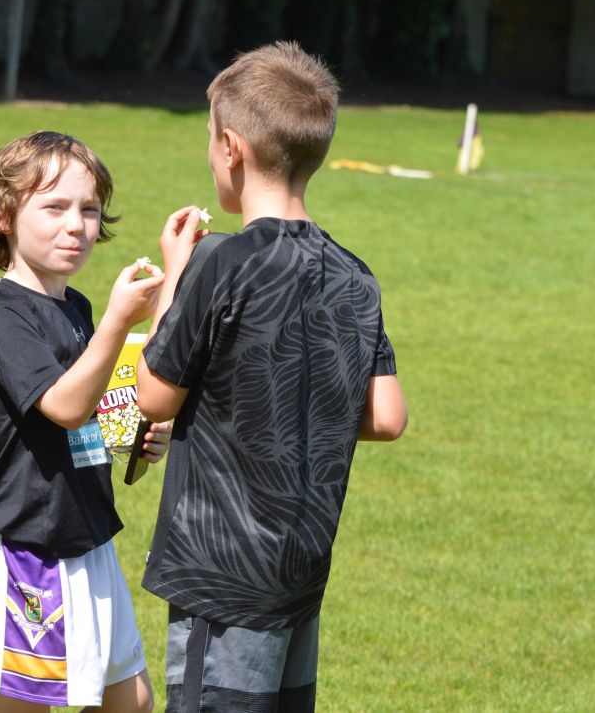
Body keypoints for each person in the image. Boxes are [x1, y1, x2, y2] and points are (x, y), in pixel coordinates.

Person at [136, 42, 409, 713]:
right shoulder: (355, 275)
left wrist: (176, 272)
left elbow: (153, 392)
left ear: (231, 147)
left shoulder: (220, 264)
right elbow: (386, 414)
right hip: (300, 571)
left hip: (220, 577)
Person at [0, 131, 169, 713]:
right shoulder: (3, 317)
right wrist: (116, 321)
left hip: (87, 533)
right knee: (29, 706)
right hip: (35, 547)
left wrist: (137, 436)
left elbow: (90, 418)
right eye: (53, 207)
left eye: (88, 208)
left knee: (129, 701)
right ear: (2, 215)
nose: (76, 224)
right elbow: (63, 405)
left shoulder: (75, 309)